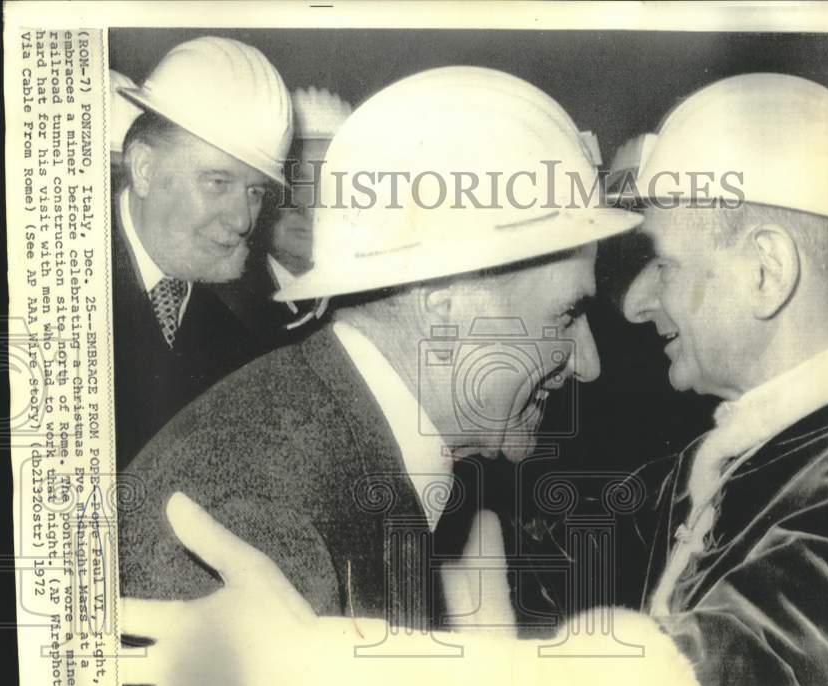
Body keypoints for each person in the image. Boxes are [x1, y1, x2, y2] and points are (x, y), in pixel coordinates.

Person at [118, 67, 644, 649]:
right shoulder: (264, 513)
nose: (588, 363)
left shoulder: (339, 435)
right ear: (446, 306)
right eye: (566, 314)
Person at [613, 73, 828, 686]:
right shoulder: (765, 450)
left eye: (662, 263)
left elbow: (764, 673)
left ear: (767, 271)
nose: (634, 303)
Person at [111, 36, 292, 466]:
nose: (243, 220)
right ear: (145, 170)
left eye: (254, 191)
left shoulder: (244, 334)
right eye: (218, 183)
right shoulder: (44, 288)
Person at [213, 87, 352, 347]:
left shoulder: (367, 305)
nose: (307, 205)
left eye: (328, 186)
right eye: (295, 182)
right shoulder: (221, 305)